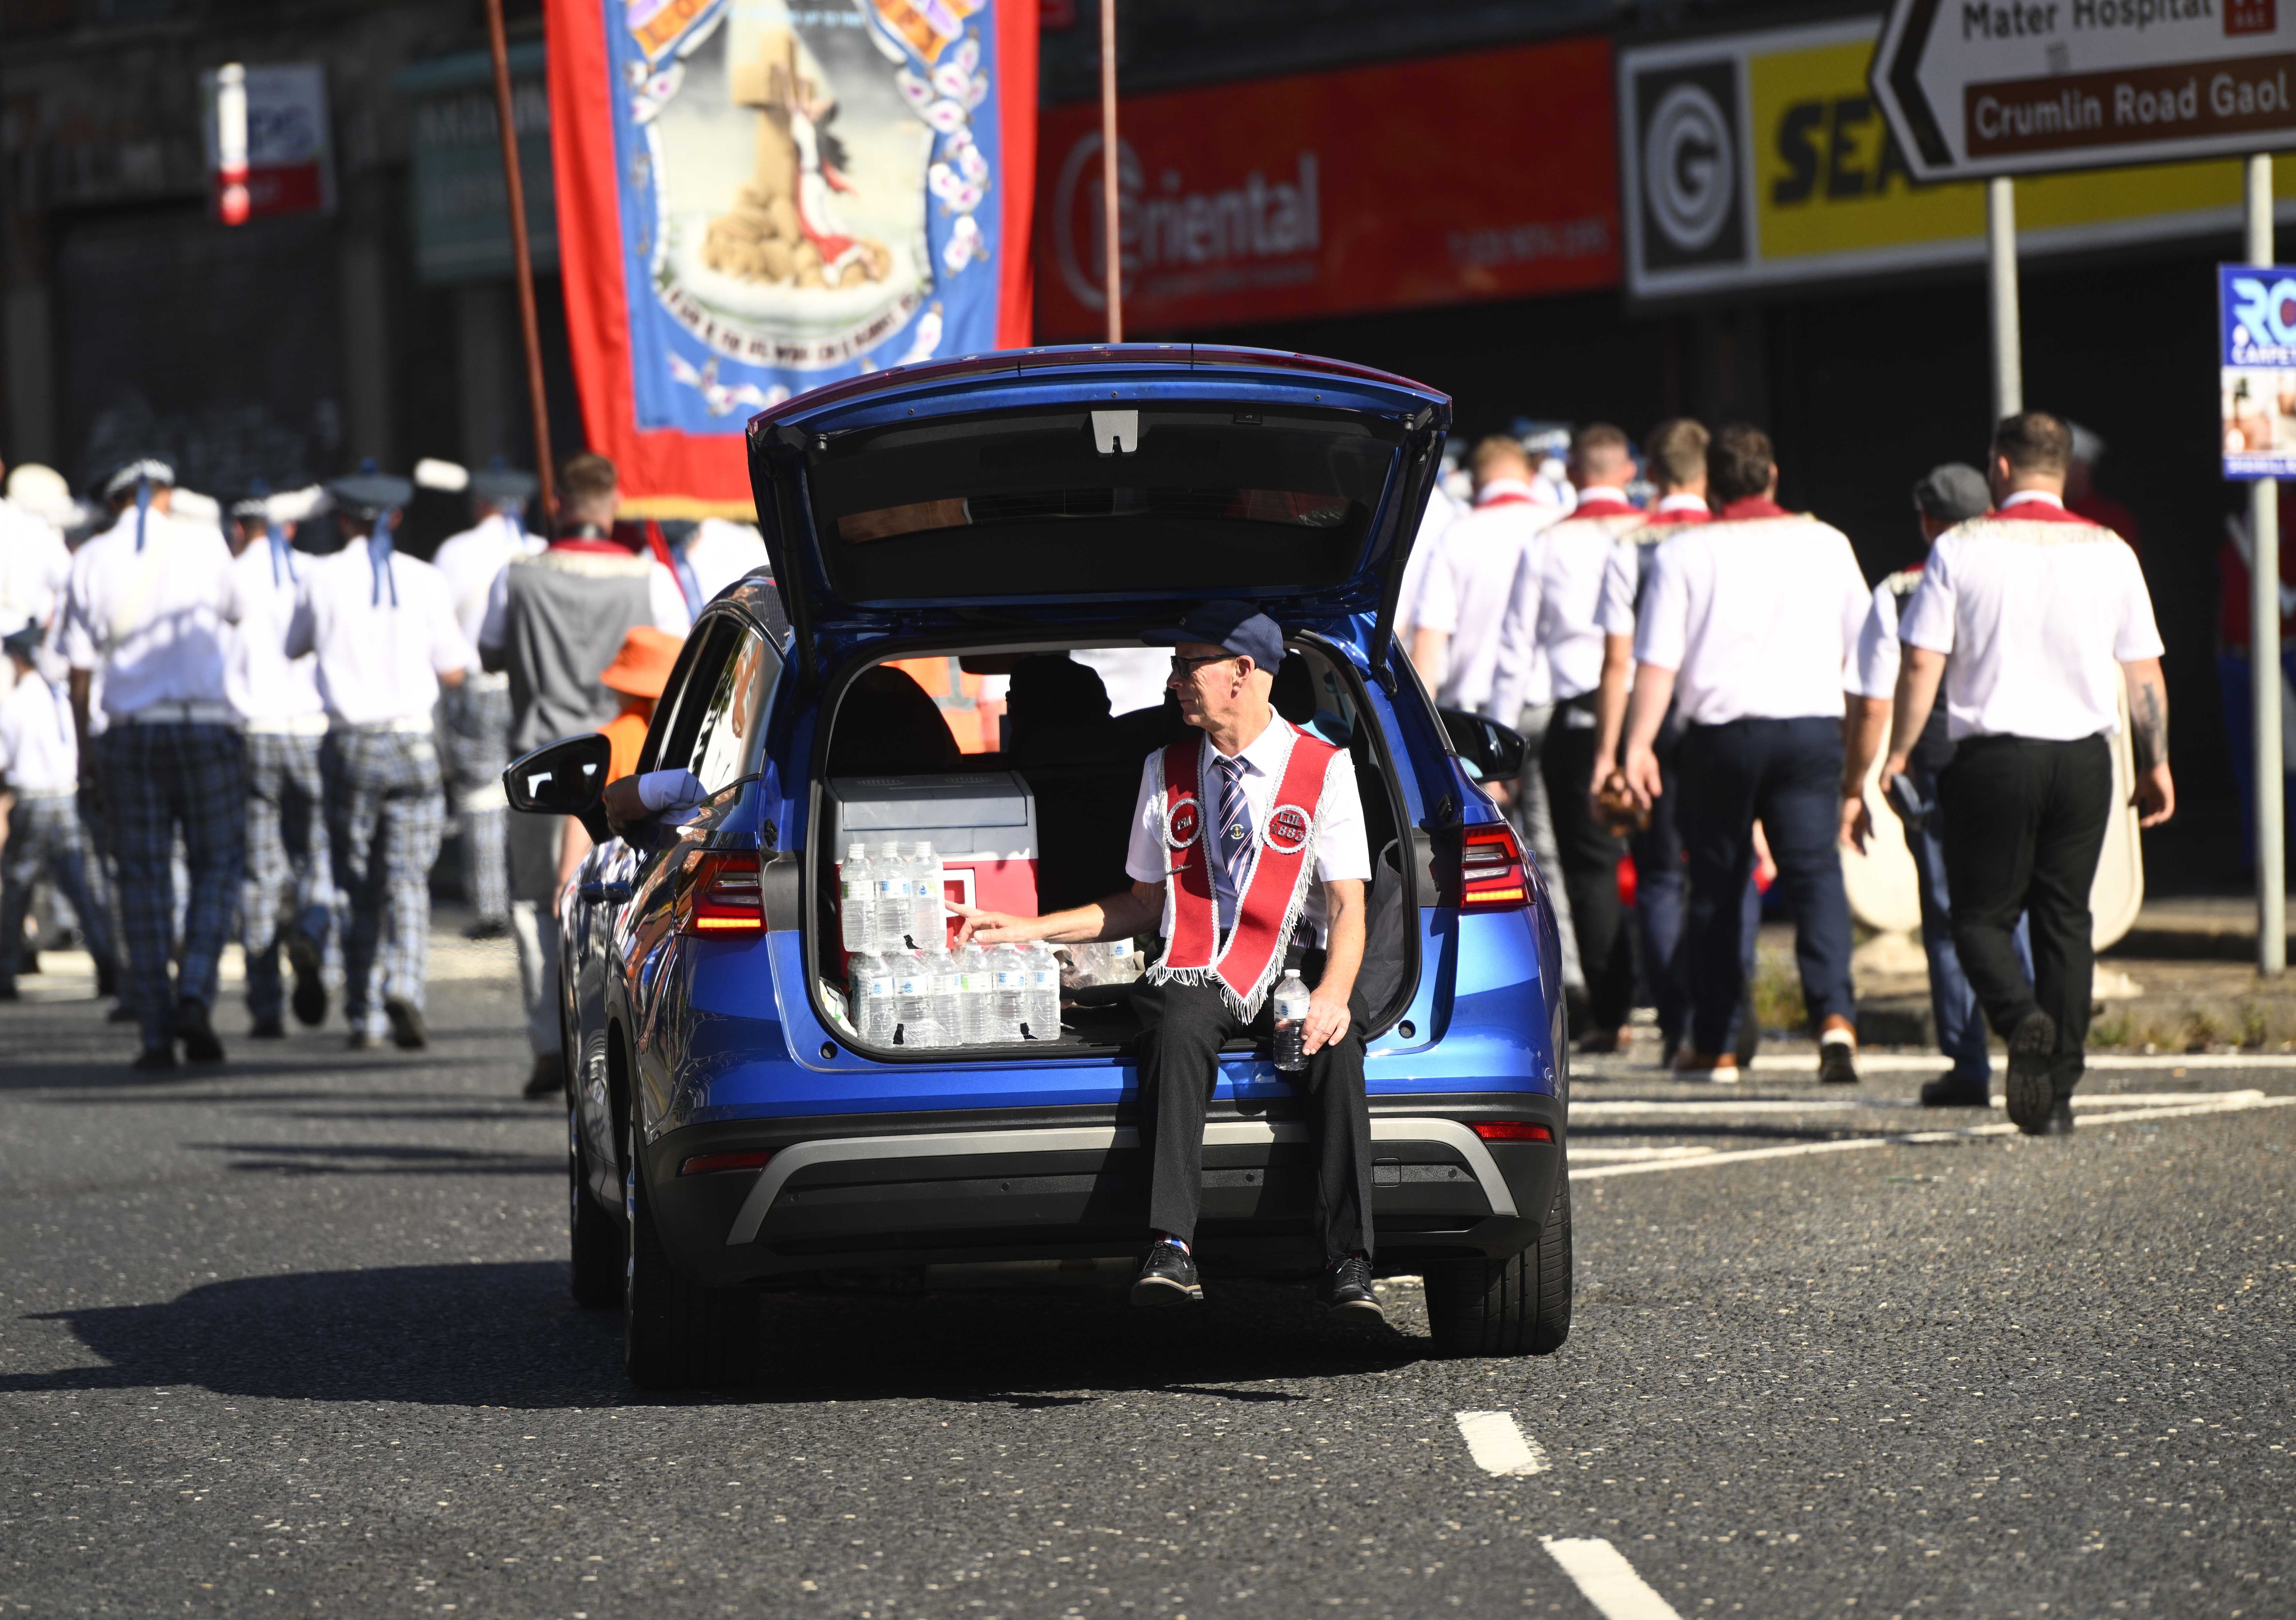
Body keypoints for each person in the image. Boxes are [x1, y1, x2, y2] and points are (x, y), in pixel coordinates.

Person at [953, 602, 1380, 1319]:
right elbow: (1141, 905)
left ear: (1242, 674)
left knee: (1334, 1045)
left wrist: (1334, 994)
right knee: (1176, 1020)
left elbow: (1347, 908)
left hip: (1297, 962)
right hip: (1197, 963)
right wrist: (1025, 928)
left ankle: (1348, 1261)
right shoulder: (1166, 768)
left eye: (1188, 666)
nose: (1171, 680)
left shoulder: (1324, 771)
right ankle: (1171, 1247)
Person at [1871, 413, 2173, 1136]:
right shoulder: (2109, 550)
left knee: (1977, 918)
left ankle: (2018, 1017)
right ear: (2062, 468)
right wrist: (2156, 761)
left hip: (1992, 760)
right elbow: (2142, 673)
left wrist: (1899, 751)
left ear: (1998, 469)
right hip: (2081, 758)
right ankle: (2058, 1092)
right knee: (2065, 920)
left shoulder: (1960, 549)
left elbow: (1921, 662)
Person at [1620, 424, 1869, 1083]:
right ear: (1772, 477)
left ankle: (1716, 1042)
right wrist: (1859, 757)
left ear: (1709, 486)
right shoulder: (1827, 544)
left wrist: (1635, 747)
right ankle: (1834, 1020)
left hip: (1720, 738)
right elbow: (1865, 659)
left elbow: (1655, 666)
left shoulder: (1684, 553)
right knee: (1815, 874)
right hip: (1810, 729)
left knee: (1716, 887)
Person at [481, 452, 685, 1099]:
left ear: (559, 503)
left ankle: (550, 1039)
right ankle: (613, 1039)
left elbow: (487, 649)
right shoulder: (647, 577)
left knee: (539, 904)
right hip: (630, 754)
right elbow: (677, 655)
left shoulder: (515, 575)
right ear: (613, 502)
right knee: (628, 904)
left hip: (544, 762)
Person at [1841, 464, 2033, 1106]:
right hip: (2018, 759)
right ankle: (2035, 1038)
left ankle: (1969, 1063)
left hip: (1935, 771)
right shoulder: (2023, 573)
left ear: (1926, 521)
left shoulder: (1897, 591)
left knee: (1950, 921)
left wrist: (1858, 782)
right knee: (2021, 907)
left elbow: (1871, 703)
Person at [58, 457, 244, 1067]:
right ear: (167, 495)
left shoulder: (89, 558)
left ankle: (156, 1032)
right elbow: (236, 617)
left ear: (115, 503)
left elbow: (80, 675)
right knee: (216, 864)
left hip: (129, 733)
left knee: (140, 877)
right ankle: (194, 986)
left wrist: (86, 754)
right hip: (203, 723)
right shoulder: (205, 543)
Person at [286, 471, 474, 1051]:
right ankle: (405, 987)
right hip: (413, 740)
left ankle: (364, 1012)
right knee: (408, 879)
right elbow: (455, 669)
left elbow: (292, 646)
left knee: (355, 880)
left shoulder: (319, 577)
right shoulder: (423, 578)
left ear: (343, 520)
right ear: (394, 518)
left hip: (349, 742)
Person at [1489, 424, 1649, 1053]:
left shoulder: (1548, 544)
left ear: (1574, 474)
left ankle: (1612, 1012)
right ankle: (1696, 1008)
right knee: (1673, 865)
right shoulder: (1659, 533)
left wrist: (1498, 745)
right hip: (1662, 709)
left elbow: (1514, 647)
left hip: (1580, 711)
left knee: (1590, 871)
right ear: (1628, 469)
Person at [1411, 436, 1581, 998]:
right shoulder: (1561, 522)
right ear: (1527, 473)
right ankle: (1588, 979)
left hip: (1473, 722)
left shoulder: (1456, 535)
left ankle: (1528, 977)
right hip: (1557, 706)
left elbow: (1430, 641)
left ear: (1478, 478)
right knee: (1570, 849)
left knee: (1491, 862)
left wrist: (1418, 732)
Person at [1588, 417, 1722, 1064]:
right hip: (1721, 718)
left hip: (1653, 721)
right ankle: (1727, 1015)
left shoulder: (1631, 545)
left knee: (1661, 878)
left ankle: (1676, 1022)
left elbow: (1619, 662)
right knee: (1726, 877)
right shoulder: (1734, 538)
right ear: (1704, 473)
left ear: (1654, 475)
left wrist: (1610, 751)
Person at [223, 488, 335, 1036]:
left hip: (253, 732)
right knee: (319, 854)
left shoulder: (228, 575)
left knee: (260, 870)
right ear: (289, 528)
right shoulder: (318, 570)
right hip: (313, 729)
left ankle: (264, 1002)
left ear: (240, 528)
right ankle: (312, 932)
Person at [432, 461, 541, 940]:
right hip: (533, 686)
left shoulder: (454, 551)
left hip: (477, 686)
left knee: (480, 800)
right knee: (537, 792)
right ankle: (535, 893)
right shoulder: (539, 549)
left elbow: (440, 624)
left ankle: (492, 908)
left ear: (481, 504)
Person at [0, 617, 116, 999]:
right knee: (82, 889)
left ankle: (5, 972)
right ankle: (108, 966)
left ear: (19, 660)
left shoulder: (14, 705)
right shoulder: (63, 699)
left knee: (17, 889)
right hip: (66, 798)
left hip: (31, 799)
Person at [549, 625, 683, 908]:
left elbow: (582, 815)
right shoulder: (689, 735)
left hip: (624, 876)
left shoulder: (610, 740)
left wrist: (565, 883)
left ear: (622, 686)